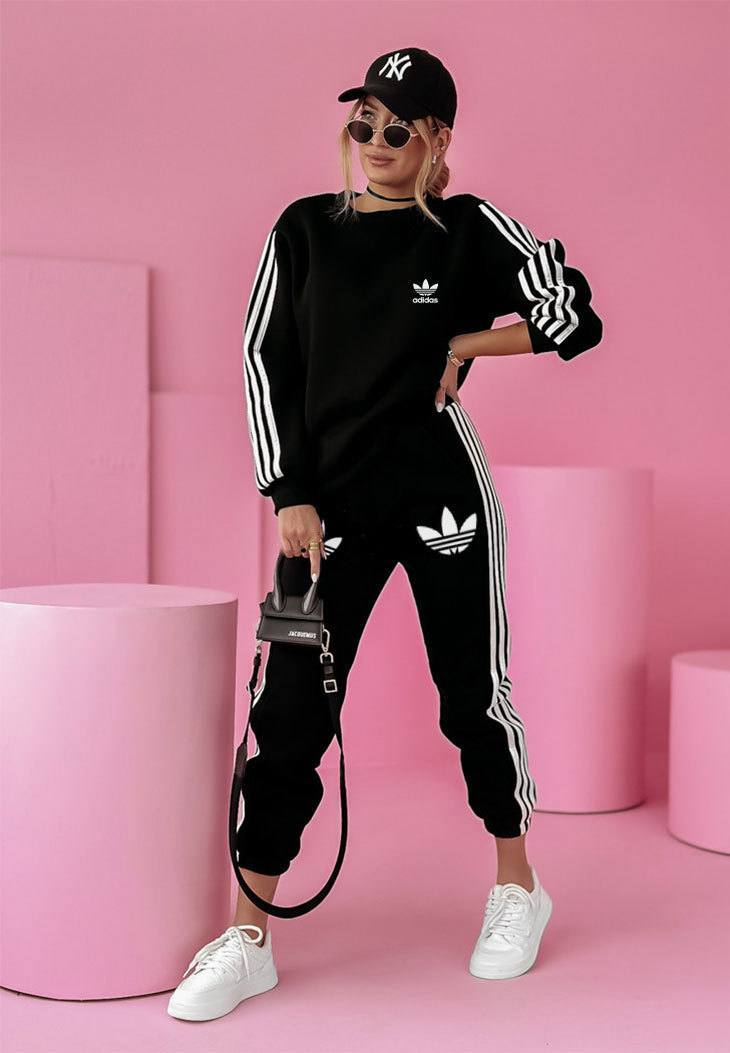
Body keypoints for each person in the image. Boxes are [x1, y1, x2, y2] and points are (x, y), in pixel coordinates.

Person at [168, 46, 603, 1022]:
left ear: (437, 139)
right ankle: (248, 936)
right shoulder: (303, 230)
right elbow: (263, 358)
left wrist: (466, 341)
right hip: (323, 510)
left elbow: (573, 315)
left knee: (470, 692)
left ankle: (518, 886)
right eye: (361, 122)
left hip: (443, 493)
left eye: (396, 127)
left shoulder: (469, 230)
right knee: (289, 711)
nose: (373, 141)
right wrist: (287, 490)